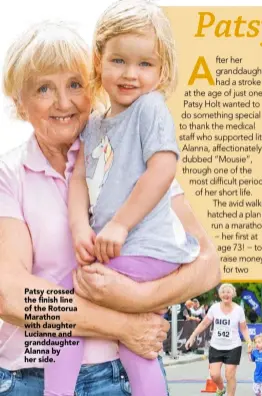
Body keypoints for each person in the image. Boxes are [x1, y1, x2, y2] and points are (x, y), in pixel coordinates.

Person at [0, 20, 220, 396]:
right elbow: (11, 295)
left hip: (123, 376)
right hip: (31, 378)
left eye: (74, 84)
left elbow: (208, 264)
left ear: (94, 86)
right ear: (20, 105)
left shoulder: (135, 159)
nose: (63, 102)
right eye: (43, 89)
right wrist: (125, 326)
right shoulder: (9, 174)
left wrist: (141, 298)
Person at [47, 1, 200, 395]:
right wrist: (81, 226)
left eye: (145, 64)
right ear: (98, 61)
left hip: (146, 247)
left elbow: (163, 169)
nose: (131, 74)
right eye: (118, 60)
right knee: (135, 345)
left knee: (60, 304)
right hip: (119, 248)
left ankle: (56, 391)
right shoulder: (95, 124)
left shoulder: (150, 108)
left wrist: (119, 223)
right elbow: (79, 177)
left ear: (162, 69)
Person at [185, 283, 252, 396]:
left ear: (233, 294)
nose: (226, 294)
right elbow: (204, 323)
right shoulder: (214, 308)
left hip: (233, 346)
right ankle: (221, 388)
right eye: (223, 292)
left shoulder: (239, 310)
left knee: (230, 375)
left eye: (228, 292)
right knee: (214, 375)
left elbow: (244, 329)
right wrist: (192, 336)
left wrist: (249, 342)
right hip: (216, 346)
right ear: (220, 295)